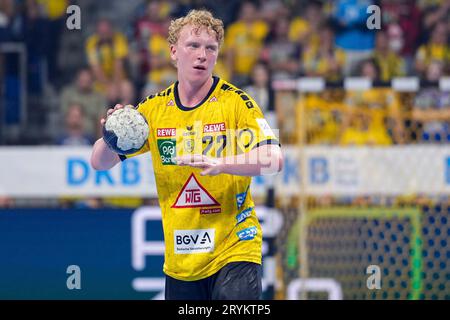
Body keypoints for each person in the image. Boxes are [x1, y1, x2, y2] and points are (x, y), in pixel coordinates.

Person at [90, 10, 283, 300]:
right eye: (193, 46)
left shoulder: (236, 103)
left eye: (210, 48)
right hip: (182, 263)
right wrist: (111, 138)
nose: (202, 55)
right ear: (173, 52)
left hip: (236, 249)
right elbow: (98, 162)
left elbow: (274, 158)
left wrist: (223, 164)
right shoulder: (154, 110)